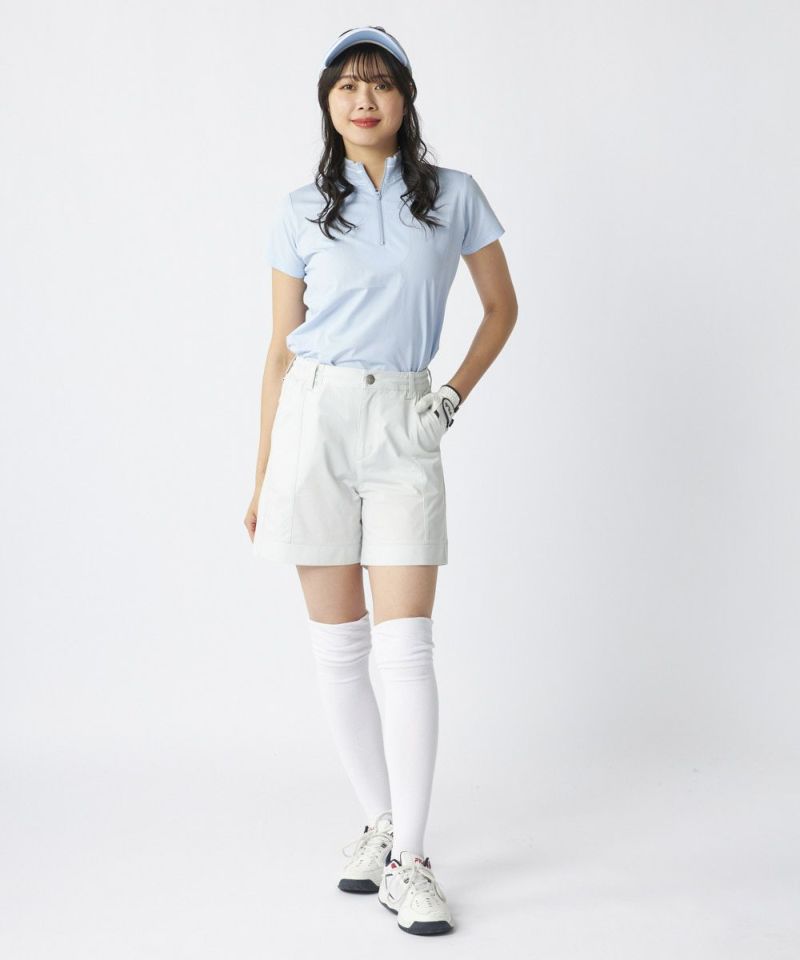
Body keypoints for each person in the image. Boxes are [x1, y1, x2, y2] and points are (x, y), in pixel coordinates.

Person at [244, 26, 517, 936]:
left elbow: (501, 308)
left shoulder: (455, 195)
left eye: (381, 84)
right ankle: (381, 822)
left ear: (405, 98)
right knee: (339, 647)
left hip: (404, 420)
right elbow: (279, 352)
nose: (364, 100)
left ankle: (412, 861)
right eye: (347, 87)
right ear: (328, 103)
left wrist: (450, 399)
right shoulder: (298, 210)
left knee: (407, 646)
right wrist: (261, 476)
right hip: (312, 425)